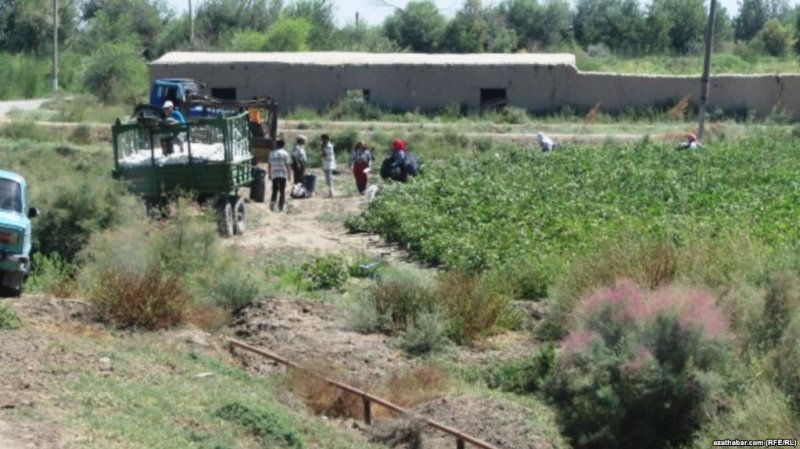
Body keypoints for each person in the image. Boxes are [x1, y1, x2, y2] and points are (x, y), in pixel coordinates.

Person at [268, 139, 292, 212]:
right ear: (283, 145)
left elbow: (269, 165)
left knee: (274, 190)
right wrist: (289, 174)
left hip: (275, 174)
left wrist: (269, 174)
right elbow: (287, 165)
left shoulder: (271, 153)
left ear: (276, 145)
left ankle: (272, 205)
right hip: (282, 174)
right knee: (282, 191)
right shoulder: (285, 153)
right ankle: (280, 207)